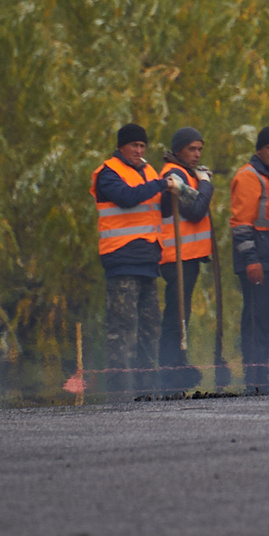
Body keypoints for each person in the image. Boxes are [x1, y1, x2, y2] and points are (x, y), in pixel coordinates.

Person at [92, 122, 177, 393]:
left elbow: (158, 209)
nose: (139, 150)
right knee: (122, 331)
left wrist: (171, 192)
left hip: (148, 260)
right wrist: (161, 184)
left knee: (149, 331)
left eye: (142, 146)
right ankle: (120, 394)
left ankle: (147, 391)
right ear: (122, 146)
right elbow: (127, 198)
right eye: (134, 145)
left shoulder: (148, 172)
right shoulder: (108, 174)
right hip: (121, 258)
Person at [230, 125, 269, 388]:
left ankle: (261, 375)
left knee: (267, 319)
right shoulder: (249, 177)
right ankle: (254, 379)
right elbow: (241, 224)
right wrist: (251, 260)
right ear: (259, 149)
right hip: (257, 263)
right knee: (256, 320)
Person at [157, 127, 214, 387]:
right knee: (176, 312)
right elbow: (195, 210)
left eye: (200, 149)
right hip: (176, 255)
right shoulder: (174, 175)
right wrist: (206, 184)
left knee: (182, 311)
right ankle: (170, 366)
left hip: (188, 255)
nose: (196, 154)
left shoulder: (186, 174)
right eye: (191, 149)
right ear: (178, 150)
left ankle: (177, 362)